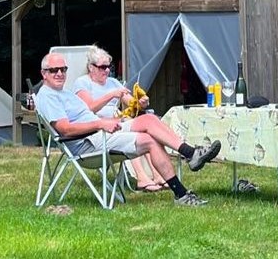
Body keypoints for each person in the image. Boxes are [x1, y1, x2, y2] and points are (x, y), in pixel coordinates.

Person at [35, 51, 220, 206]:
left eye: (63, 69)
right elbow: (65, 129)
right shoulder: (49, 96)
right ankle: (181, 192)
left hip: (102, 130)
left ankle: (190, 155)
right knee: (149, 140)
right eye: (54, 70)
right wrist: (100, 123)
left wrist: (139, 102)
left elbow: (130, 103)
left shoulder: (62, 92)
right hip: (88, 143)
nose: (59, 73)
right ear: (44, 73)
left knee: (148, 118)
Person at [71, 45, 165, 192]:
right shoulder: (82, 83)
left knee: (145, 130)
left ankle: (157, 174)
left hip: (118, 121)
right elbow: (89, 108)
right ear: (91, 67)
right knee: (131, 134)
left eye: (109, 66)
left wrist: (141, 103)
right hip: (97, 127)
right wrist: (111, 95)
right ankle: (141, 178)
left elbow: (130, 102)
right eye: (102, 67)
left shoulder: (113, 82)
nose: (107, 70)